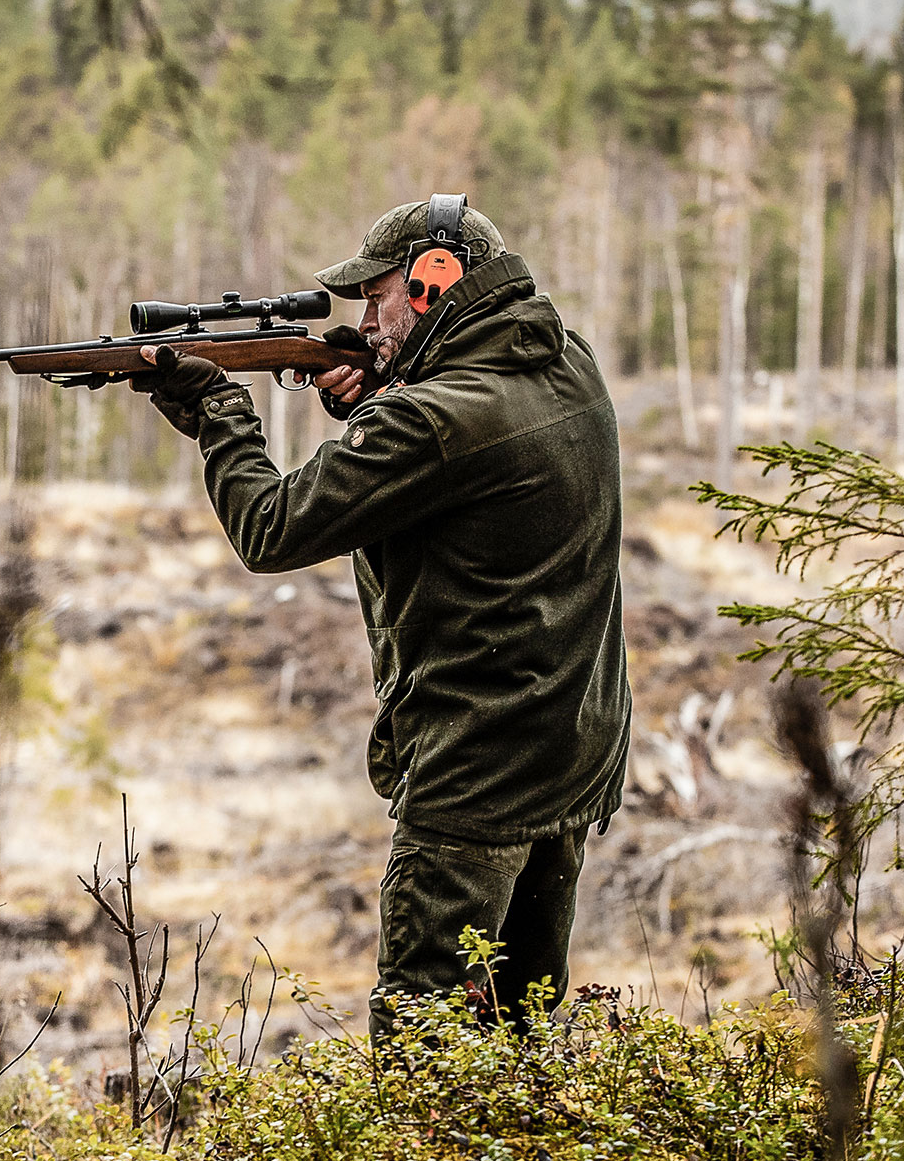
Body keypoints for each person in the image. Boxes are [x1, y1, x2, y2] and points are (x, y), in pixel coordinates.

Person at [132, 196, 631, 1038]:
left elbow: (272, 529)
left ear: (438, 281)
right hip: (572, 747)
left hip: (473, 771)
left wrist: (221, 415)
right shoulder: (564, 363)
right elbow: (462, 471)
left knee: (422, 1040)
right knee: (521, 1028)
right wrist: (374, 403)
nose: (363, 319)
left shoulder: (429, 418)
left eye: (377, 296)